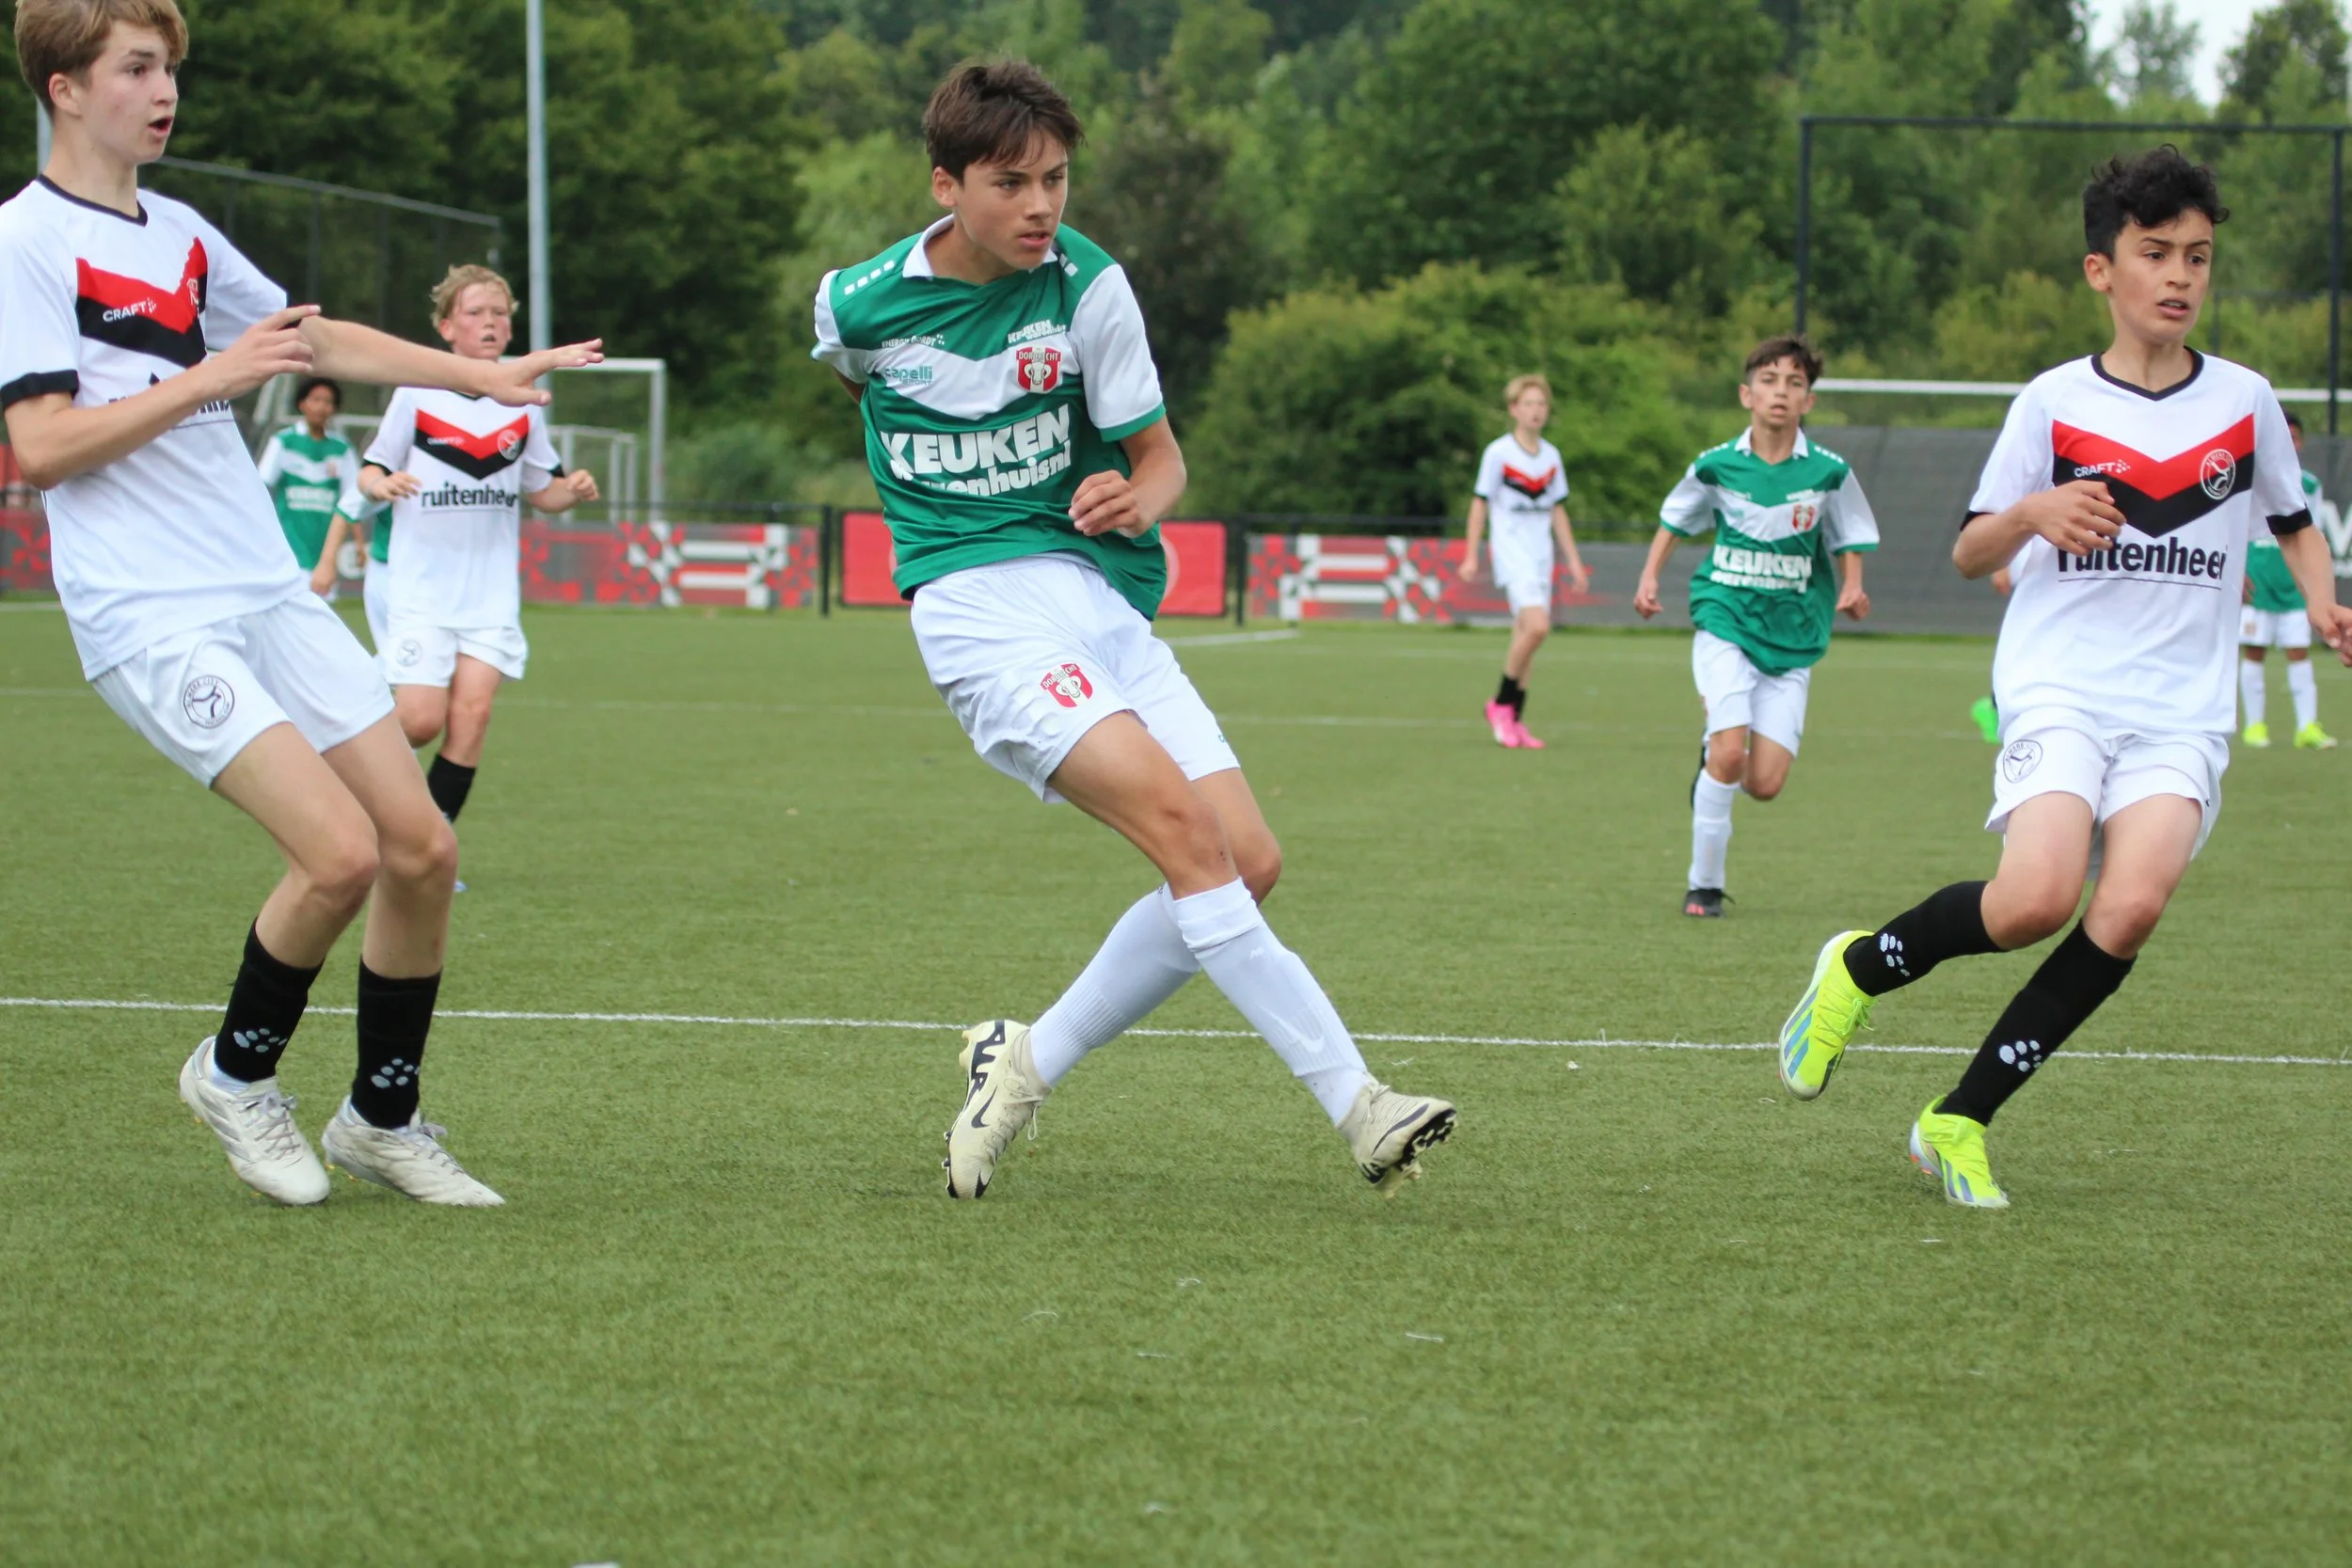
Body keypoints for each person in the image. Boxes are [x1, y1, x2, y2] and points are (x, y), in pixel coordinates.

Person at [812, 60, 1454, 1200]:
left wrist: (1141, 497)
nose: (1041, 205)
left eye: (1055, 178)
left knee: (1247, 860)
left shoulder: (1089, 287)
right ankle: (1359, 1103)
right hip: (977, 616)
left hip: (1097, 600)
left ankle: (1022, 1063)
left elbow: (1158, 457)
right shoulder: (855, 306)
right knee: (1184, 834)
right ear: (945, 185)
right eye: (1011, 182)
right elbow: (862, 383)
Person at [0, 0, 600, 1205]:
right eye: (135, 65)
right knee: (335, 851)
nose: (164, 86)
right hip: (151, 612)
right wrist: (210, 377)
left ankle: (383, 1117)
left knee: (421, 848)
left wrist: (479, 371)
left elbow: (315, 338)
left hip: (266, 593)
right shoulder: (23, 243)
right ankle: (233, 1074)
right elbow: (44, 444)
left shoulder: (177, 232)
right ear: (65, 88)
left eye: (169, 64)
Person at [1775, 148, 2351, 1208]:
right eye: (2154, 253)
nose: (2178, 276)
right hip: (2063, 684)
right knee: (2036, 896)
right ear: (2102, 271)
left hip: (2181, 707)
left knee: (2127, 908)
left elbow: (2291, 519)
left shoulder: (2245, 401)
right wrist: (2034, 513)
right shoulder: (2050, 403)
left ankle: (1956, 1119)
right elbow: (1968, 552)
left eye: (2198, 256)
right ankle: (1857, 968)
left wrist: (2320, 598)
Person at [1634, 337, 1878, 918]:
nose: (1781, 392)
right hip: (1726, 618)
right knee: (1729, 755)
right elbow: (1675, 519)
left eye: (1795, 383)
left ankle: (1716, 758)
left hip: (1792, 635)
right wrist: (1649, 578)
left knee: (1763, 782)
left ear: (1808, 402)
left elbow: (1850, 533)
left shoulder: (1829, 472)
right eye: (1769, 380)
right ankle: (1705, 887)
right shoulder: (1717, 463)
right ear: (1747, 394)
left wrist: (1851, 585)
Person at [358, 264, 598, 833]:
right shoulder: (417, 393)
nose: (490, 323)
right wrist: (380, 484)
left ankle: (427, 847)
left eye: (499, 314)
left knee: (473, 714)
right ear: (446, 328)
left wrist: (574, 491)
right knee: (418, 720)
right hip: (422, 589)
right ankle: (344, 779)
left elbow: (544, 491)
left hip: (489, 592)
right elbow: (371, 467)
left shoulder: (521, 403)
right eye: (475, 313)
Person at [1460, 373, 1589, 749]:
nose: (1535, 411)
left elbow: (1557, 512)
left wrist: (1574, 562)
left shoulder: (1551, 457)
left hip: (1540, 556)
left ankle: (1514, 720)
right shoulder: (1498, 453)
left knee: (1526, 637)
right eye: (1528, 404)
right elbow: (1479, 502)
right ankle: (1500, 703)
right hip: (1513, 554)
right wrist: (1471, 553)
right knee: (1537, 628)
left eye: (1541, 404)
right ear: (1514, 409)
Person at [2238, 408, 2336, 749]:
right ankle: (2254, 727)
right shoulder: (2247, 480)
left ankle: (2307, 726)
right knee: (2254, 651)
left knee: (2298, 652)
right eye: (2286, 437)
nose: (2290, 443)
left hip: (2293, 585)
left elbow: (2311, 533)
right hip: (2258, 580)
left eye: (2295, 437)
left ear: (2302, 442)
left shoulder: (2309, 484)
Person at [253, 373, 363, 598]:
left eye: (328, 401)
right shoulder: (284, 441)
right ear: (302, 404)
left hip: (323, 555)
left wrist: (360, 544)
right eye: (315, 399)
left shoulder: (341, 450)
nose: (321, 407)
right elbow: (260, 488)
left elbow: (354, 499)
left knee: (322, 620)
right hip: (287, 550)